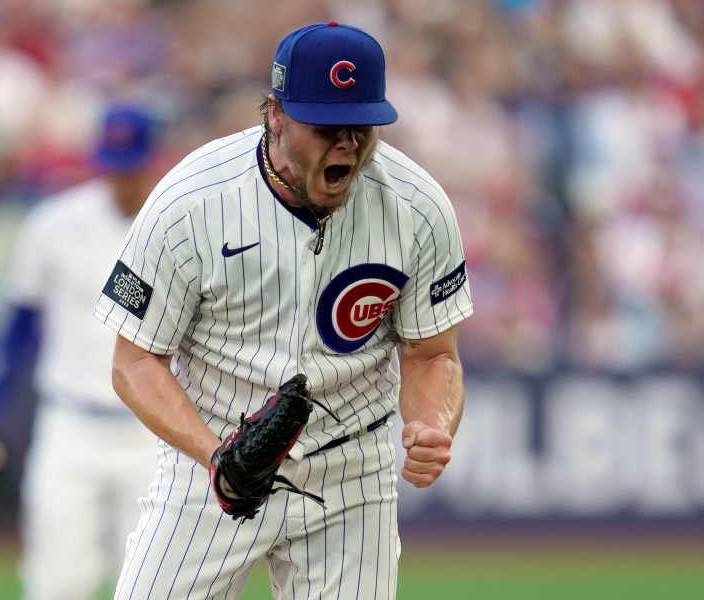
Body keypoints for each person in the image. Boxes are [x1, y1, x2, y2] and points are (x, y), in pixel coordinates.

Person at [94, 22, 473, 599]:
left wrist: (432, 423)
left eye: (362, 123)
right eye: (325, 126)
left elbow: (432, 354)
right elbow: (135, 361)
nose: (347, 143)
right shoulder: (192, 200)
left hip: (351, 476)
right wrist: (216, 458)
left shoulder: (416, 208)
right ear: (274, 114)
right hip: (212, 464)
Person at [0, 104, 161, 600]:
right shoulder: (56, 223)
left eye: (130, 166)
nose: (120, 179)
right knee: (56, 583)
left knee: (153, 584)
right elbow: (17, 324)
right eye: (113, 165)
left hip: (150, 431)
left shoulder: (173, 223)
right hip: (70, 427)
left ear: (151, 161)